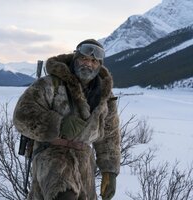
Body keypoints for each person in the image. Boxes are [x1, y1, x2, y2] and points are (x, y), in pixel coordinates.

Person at [13, 39, 121, 200]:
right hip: (51, 157)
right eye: (84, 58)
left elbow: (110, 135)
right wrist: (58, 125)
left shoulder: (105, 96)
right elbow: (22, 115)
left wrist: (109, 171)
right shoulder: (50, 84)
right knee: (64, 195)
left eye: (94, 61)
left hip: (84, 163)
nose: (88, 64)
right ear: (75, 59)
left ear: (99, 65)